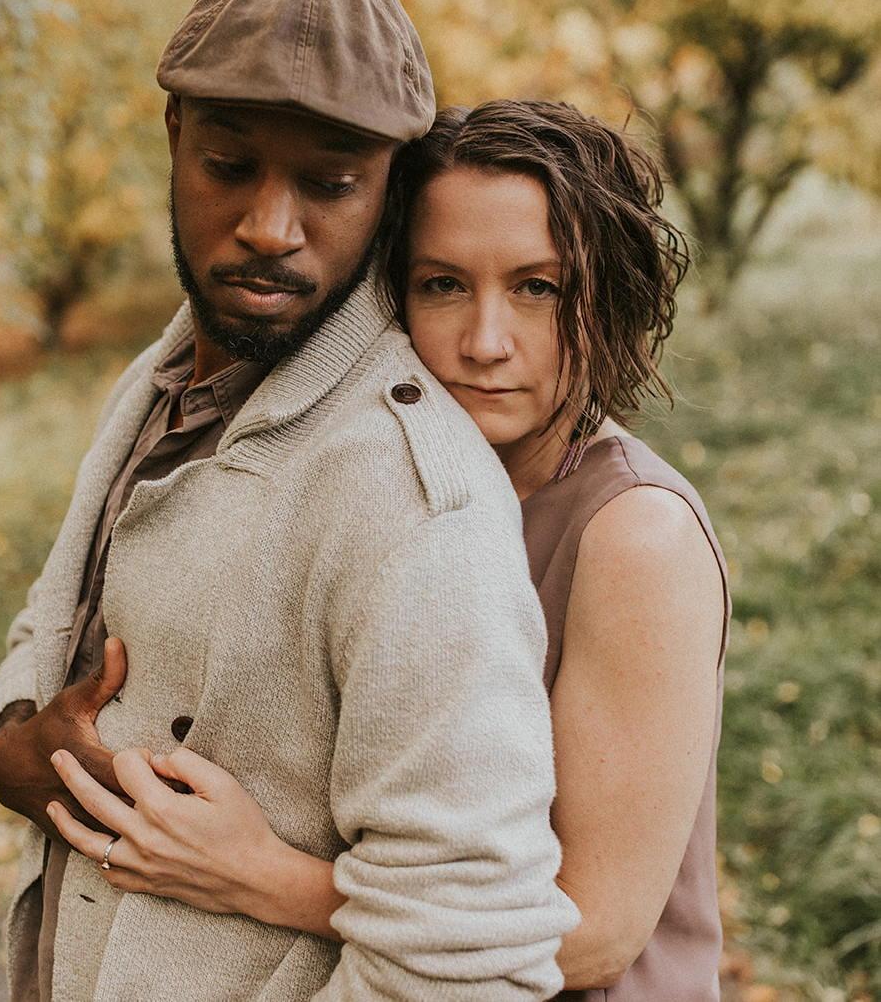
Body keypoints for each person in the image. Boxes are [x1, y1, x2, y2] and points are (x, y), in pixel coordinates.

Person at [0, 0, 578, 1002]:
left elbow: (467, 960)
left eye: (329, 183)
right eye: (229, 165)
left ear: (392, 186)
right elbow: (49, 619)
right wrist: (16, 748)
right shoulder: (163, 374)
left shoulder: (408, 503)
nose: (269, 226)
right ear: (174, 138)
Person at [45, 101, 731, 1000]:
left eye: (538, 288)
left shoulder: (634, 536)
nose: (484, 343)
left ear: (608, 295)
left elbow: (593, 933)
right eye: (442, 284)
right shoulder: (387, 490)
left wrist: (260, 875)